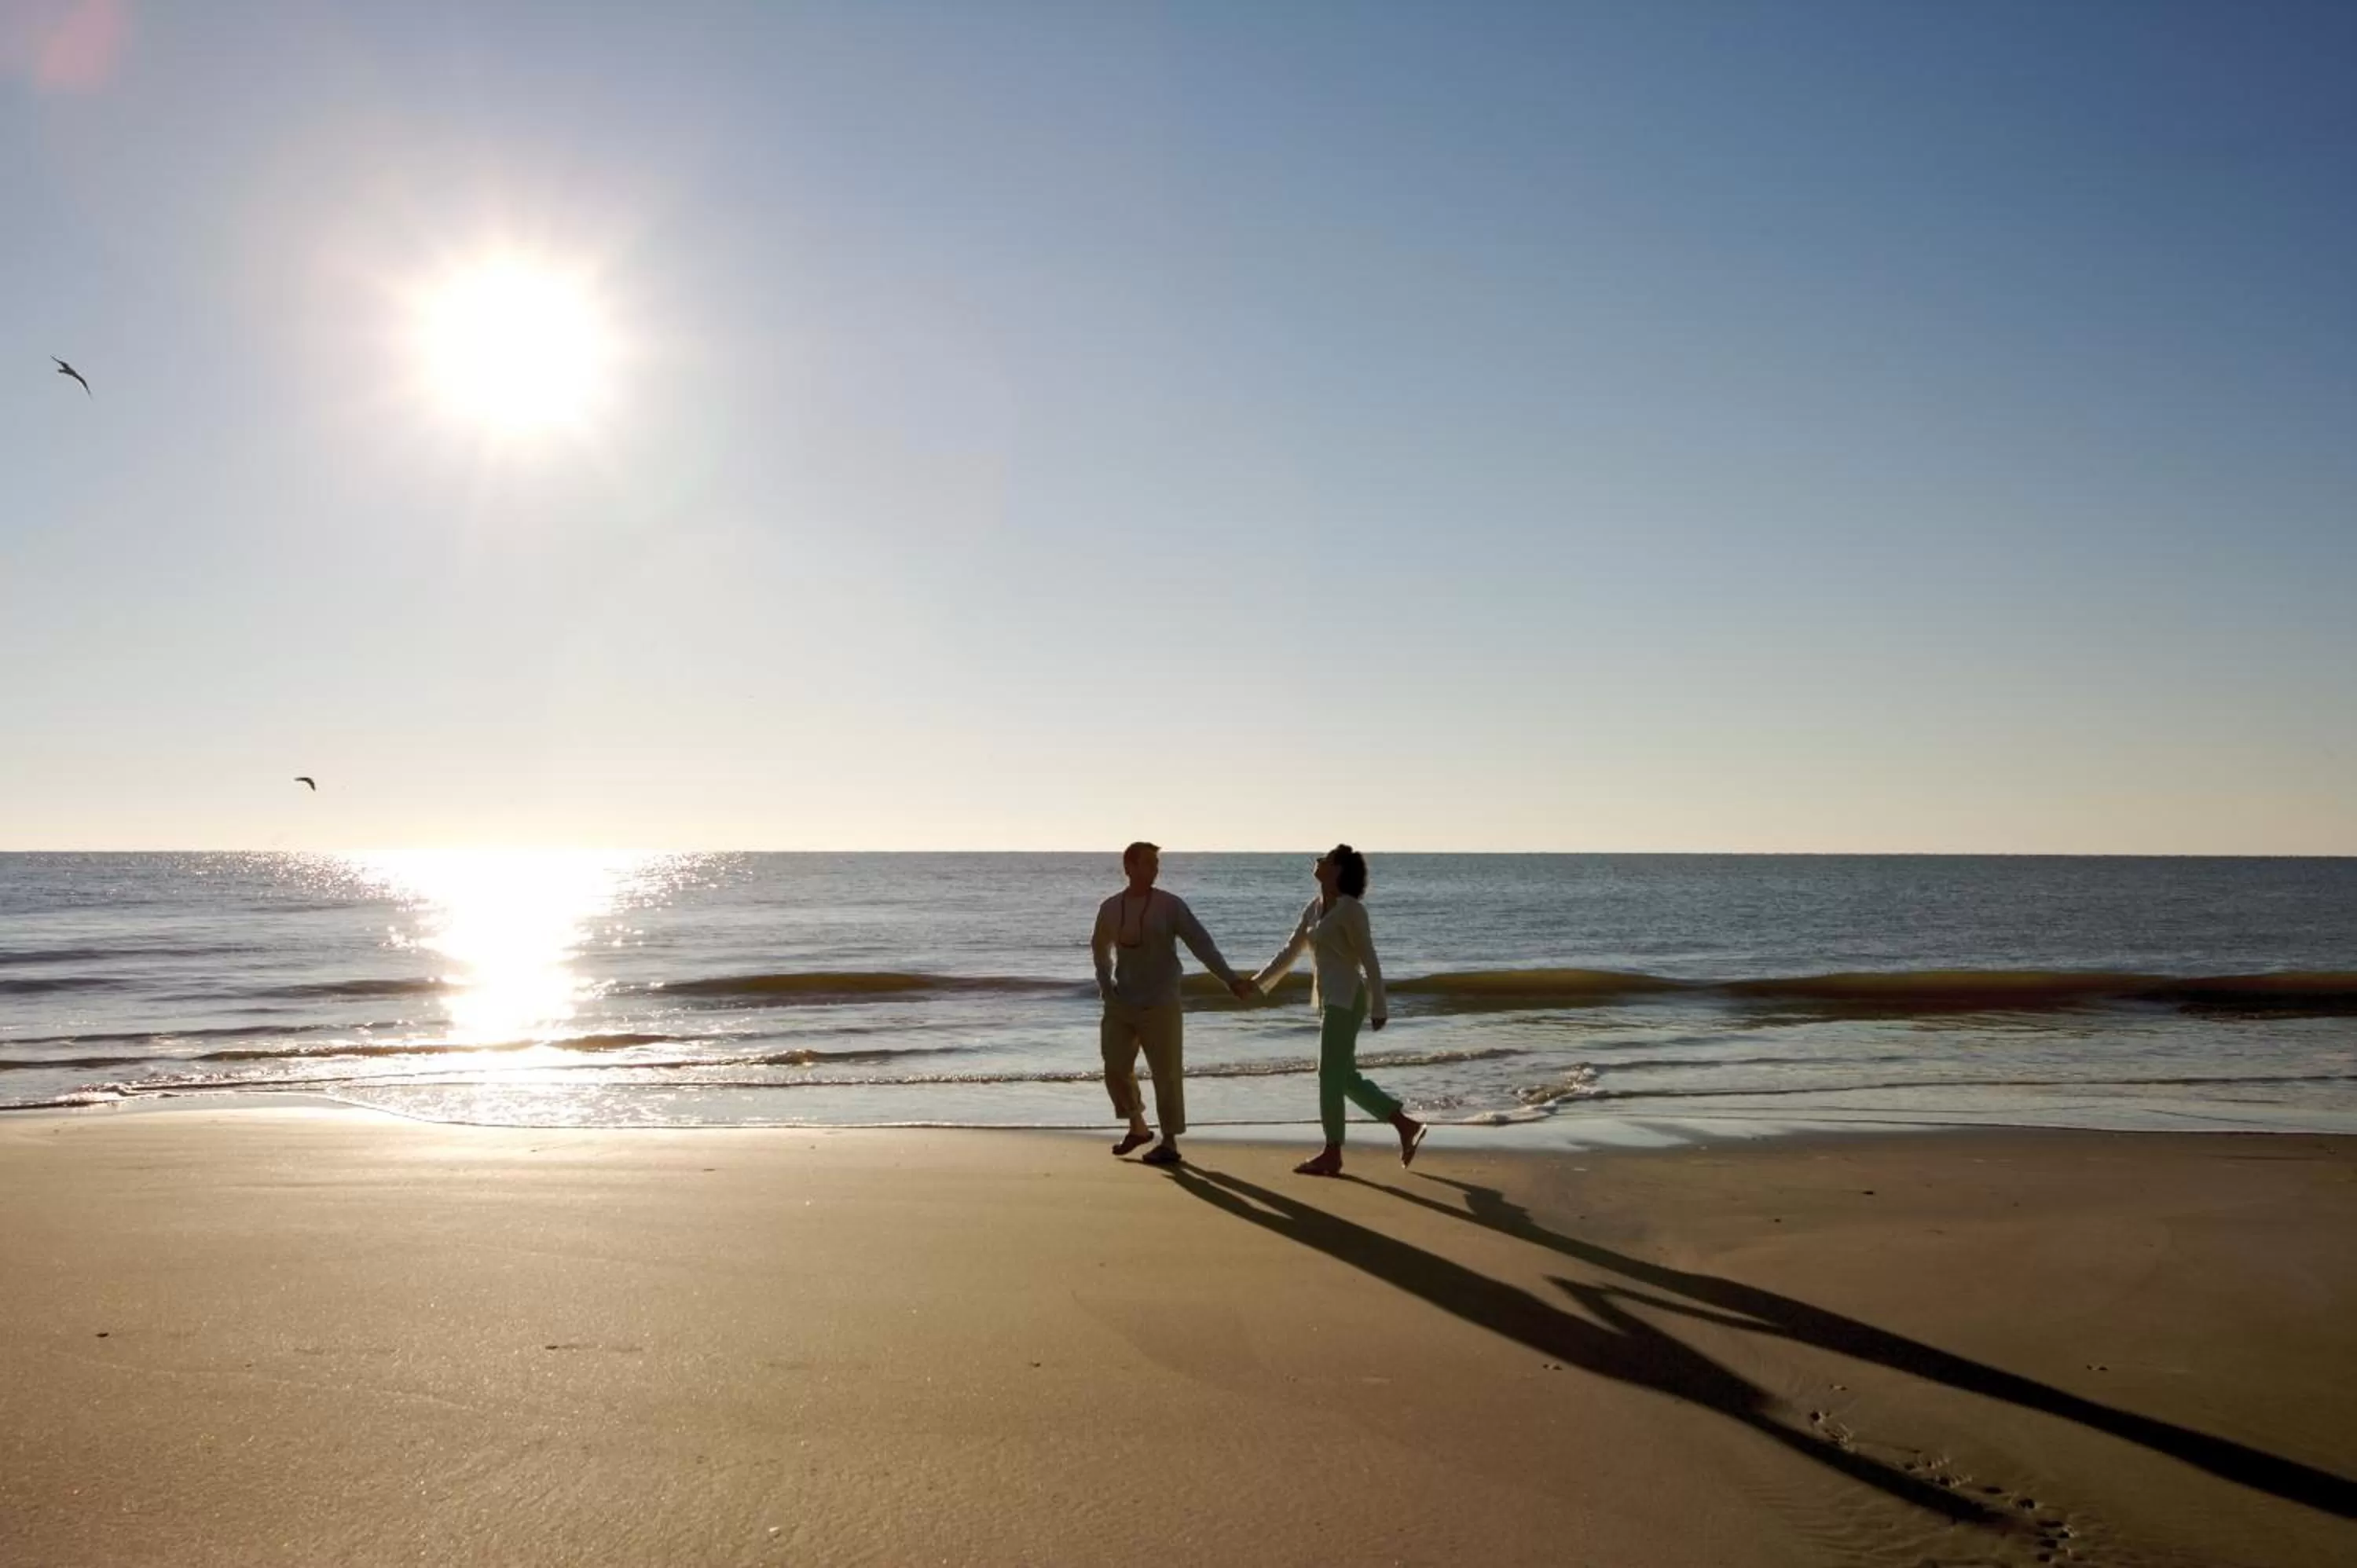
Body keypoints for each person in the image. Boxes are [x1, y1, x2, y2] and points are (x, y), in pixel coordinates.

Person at [1251, 844, 1426, 1176]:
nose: (1318, 860)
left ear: (1338, 870)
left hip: (1347, 998)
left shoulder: (1351, 910)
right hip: (1330, 998)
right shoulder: (1315, 908)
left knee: (1328, 1075)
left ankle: (1332, 1152)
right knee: (1343, 1077)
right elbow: (1291, 950)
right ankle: (1405, 1125)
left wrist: (1379, 1006)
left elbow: (1369, 958)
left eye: (1327, 859)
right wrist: (1257, 983)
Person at [1091, 841, 1255, 1166]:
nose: (1155, 870)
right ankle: (1137, 1126)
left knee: (1165, 1074)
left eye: (1156, 864)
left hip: (1161, 1001)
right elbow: (1099, 948)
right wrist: (1104, 982)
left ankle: (1169, 1141)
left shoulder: (1169, 905)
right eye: (1148, 864)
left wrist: (1230, 979)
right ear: (1129, 867)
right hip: (1122, 1001)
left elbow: (1201, 943)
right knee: (1114, 1066)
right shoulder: (1110, 907)